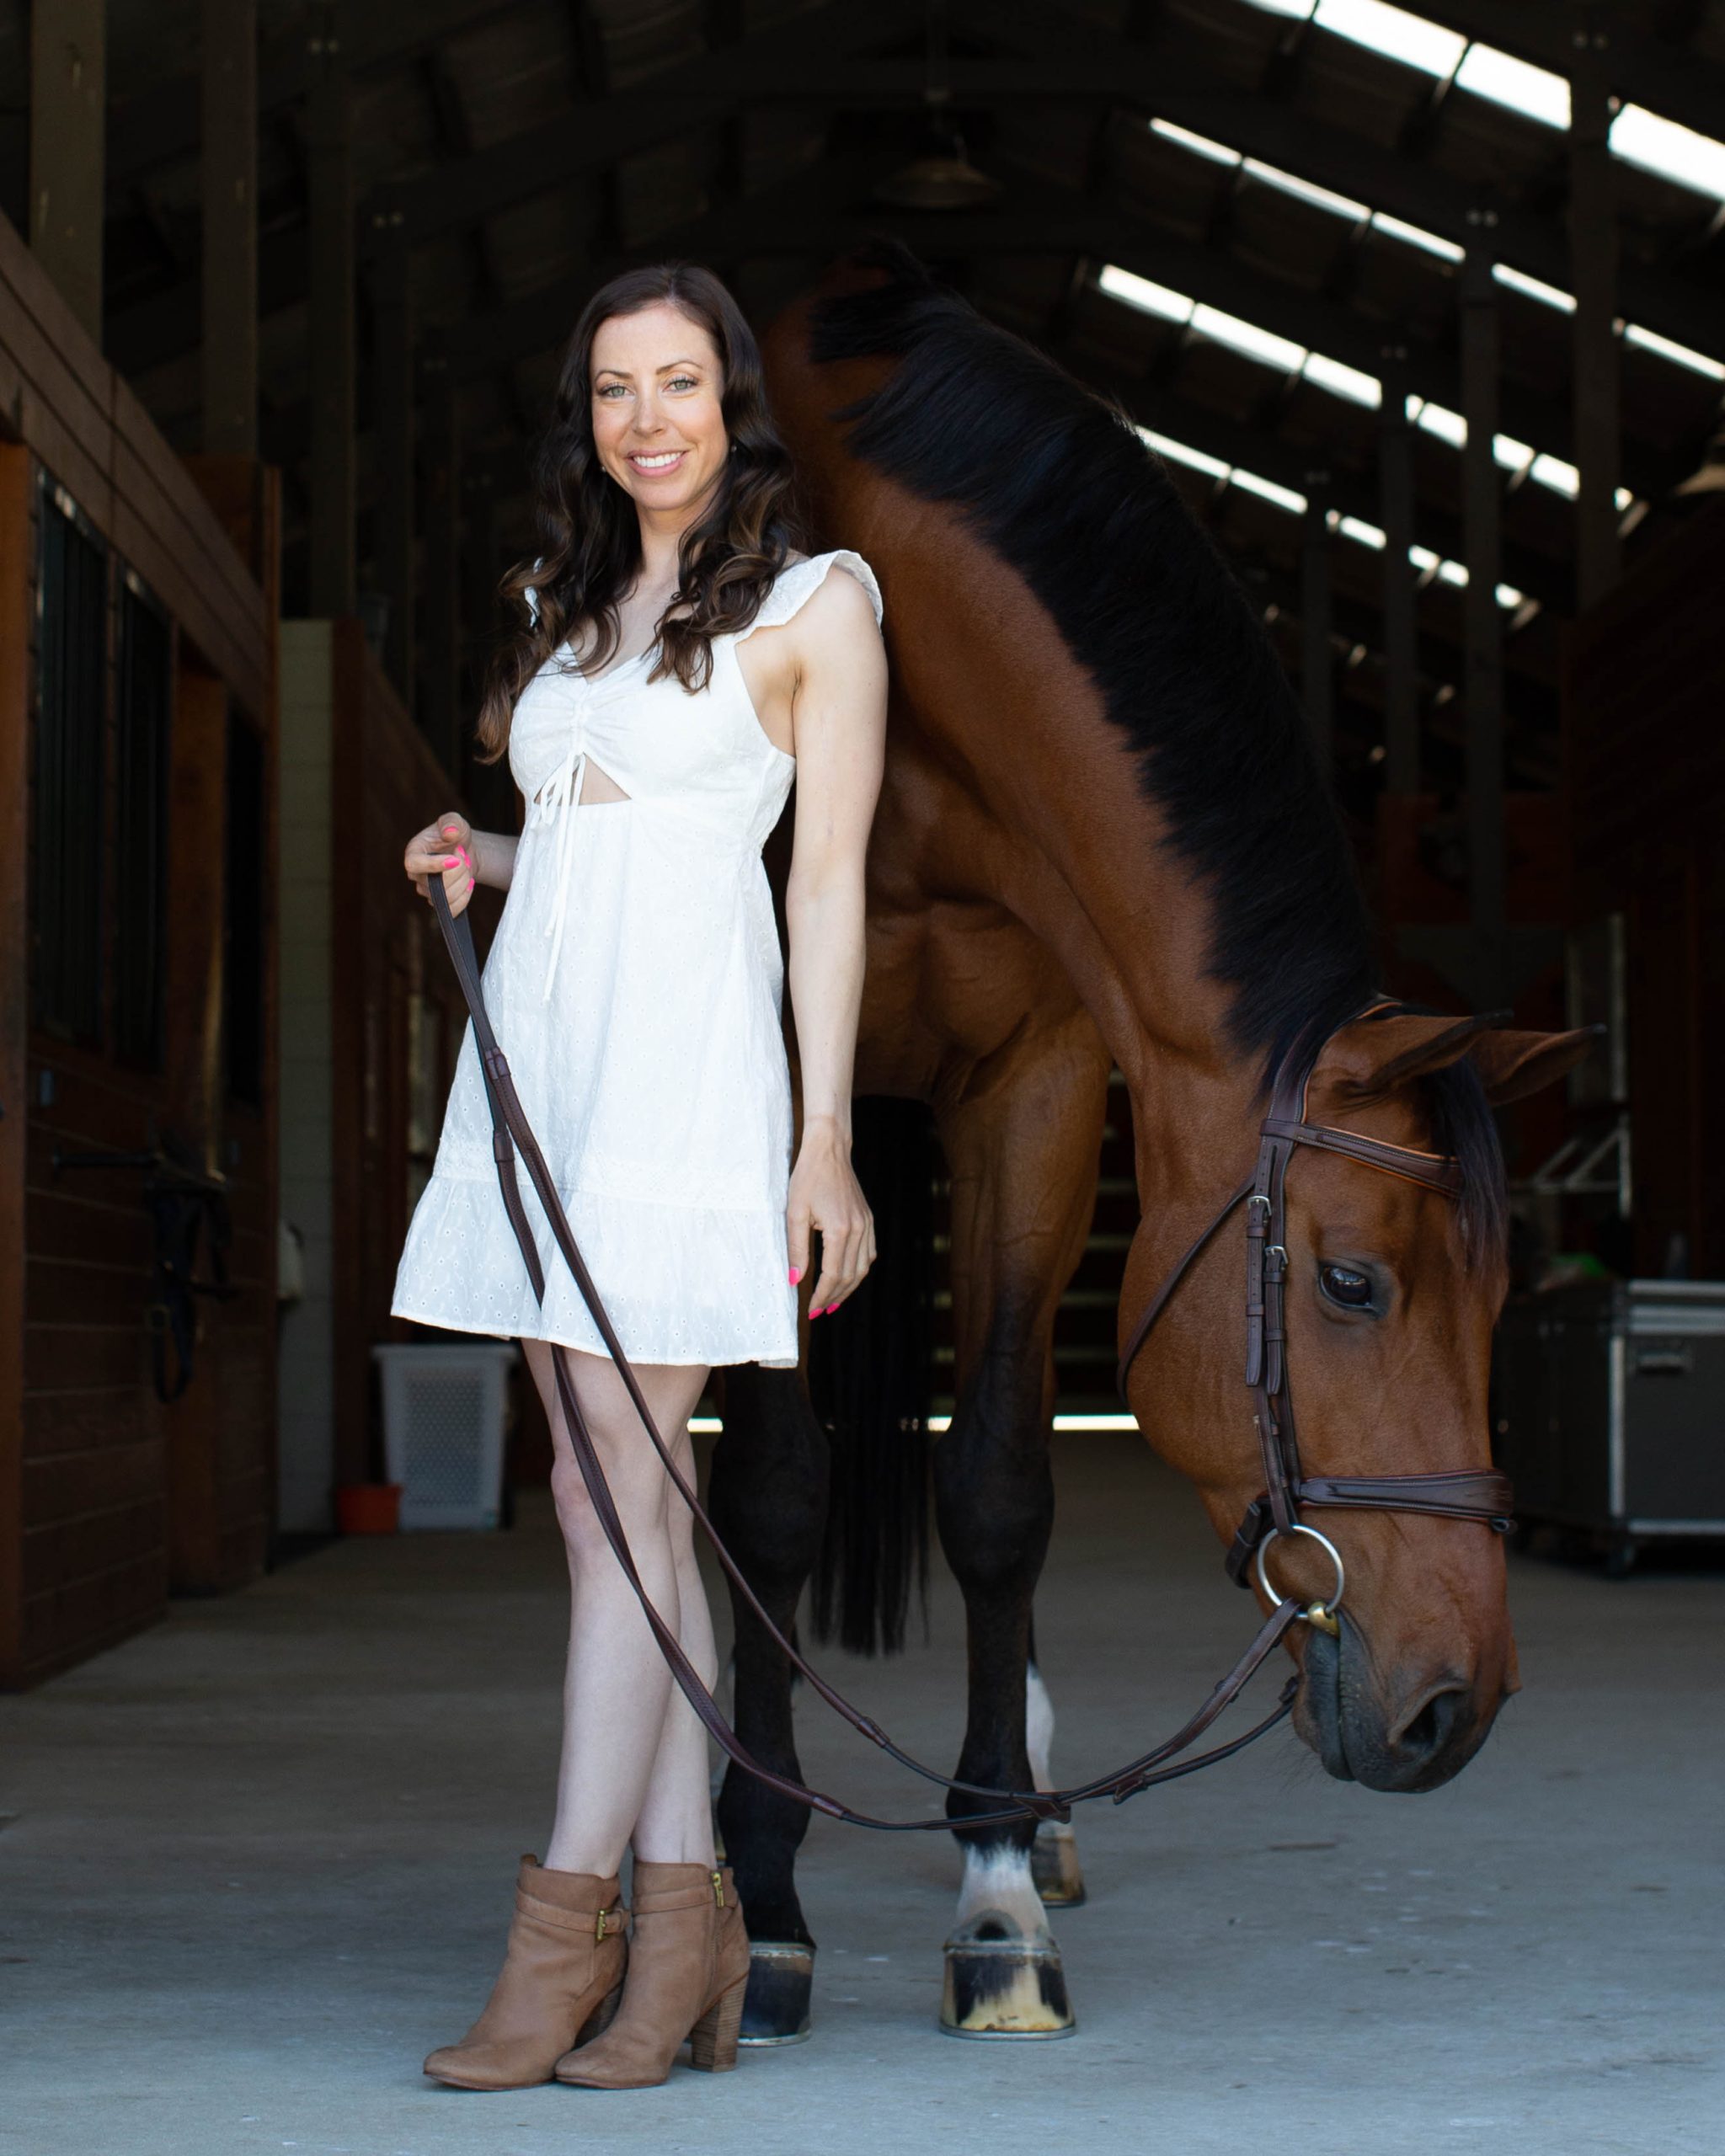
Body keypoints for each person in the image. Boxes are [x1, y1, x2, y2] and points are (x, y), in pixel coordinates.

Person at [389, 262, 888, 2091]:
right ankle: (690, 1939)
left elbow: (811, 885)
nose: (647, 420)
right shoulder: (571, 596)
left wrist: (821, 1136)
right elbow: (612, 837)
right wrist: (493, 855)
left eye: (679, 383)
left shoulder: (819, 603)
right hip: (540, 1071)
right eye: (615, 389)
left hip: (687, 1083)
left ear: (730, 399)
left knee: (616, 1518)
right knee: (616, 1518)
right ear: (586, 414)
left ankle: (558, 1934)